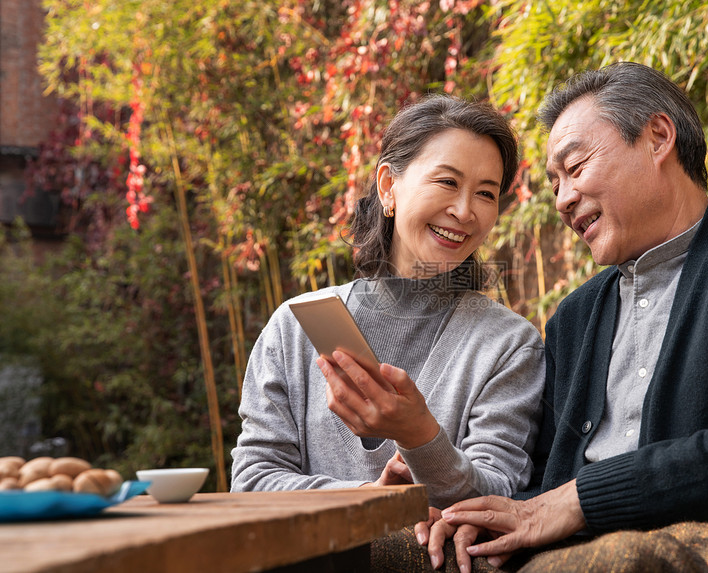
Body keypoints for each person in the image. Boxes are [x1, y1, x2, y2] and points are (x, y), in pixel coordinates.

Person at [417, 62, 708, 572]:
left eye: (575, 167)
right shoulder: (575, 318)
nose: (561, 200)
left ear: (657, 137)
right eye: (554, 182)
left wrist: (582, 499)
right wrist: (485, 516)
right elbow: (540, 485)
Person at [231, 94, 546, 509]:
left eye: (486, 194)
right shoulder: (296, 328)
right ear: (387, 186)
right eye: (447, 182)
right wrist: (371, 501)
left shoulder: (508, 345)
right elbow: (253, 480)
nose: (465, 211)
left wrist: (421, 437)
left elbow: (500, 496)